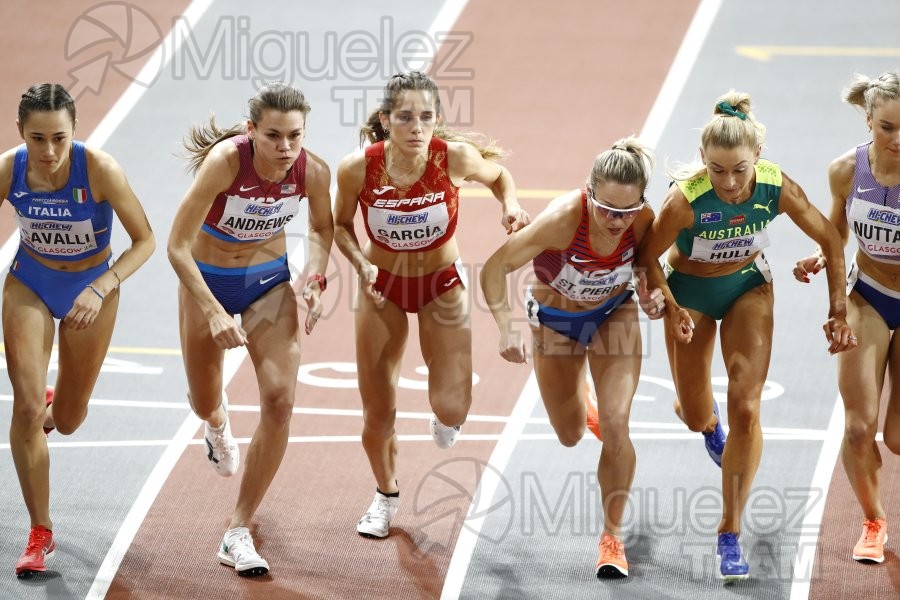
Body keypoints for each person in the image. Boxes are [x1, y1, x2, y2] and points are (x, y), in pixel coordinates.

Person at [637, 91, 855, 581]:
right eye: (717, 170)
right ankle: (704, 422)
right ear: (703, 162)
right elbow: (646, 257)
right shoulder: (685, 200)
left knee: (748, 406)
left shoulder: (775, 188)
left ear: (757, 156)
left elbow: (831, 240)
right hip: (690, 291)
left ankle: (729, 532)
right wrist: (669, 308)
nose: (730, 183)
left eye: (739, 169)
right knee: (696, 414)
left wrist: (837, 310)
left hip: (747, 288)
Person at [333, 70, 530, 539]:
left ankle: (445, 416)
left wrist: (510, 204)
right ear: (385, 120)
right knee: (377, 411)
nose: (416, 127)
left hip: (441, 284)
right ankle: (384, 496)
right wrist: (360, 265)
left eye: (426, 117)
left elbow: (500, 176)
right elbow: (340, 225)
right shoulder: (356, 167)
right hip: (382, 287)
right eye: (404, 117)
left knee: (452, 407)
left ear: (437, 119)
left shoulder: (454, 158)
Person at [167, 82, 333, 576]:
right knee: (203, 398)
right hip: (207, 283)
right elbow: (177, 246)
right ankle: (216, 424)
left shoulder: (312, 170)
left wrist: (316, 279)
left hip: (266, 284)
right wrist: (214, 311)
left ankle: (237, 529)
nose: (286, 148)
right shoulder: (225, 163)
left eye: (296, 136)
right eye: (274, 136)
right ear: (251, 131)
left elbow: (323, 229)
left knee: (280, 401)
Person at [480, 137, 665, 579]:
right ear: (589, 193)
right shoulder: (564, 218)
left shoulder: (642, 220)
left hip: (612, 316)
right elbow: (493, 268)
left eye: (627, 211)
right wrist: (505, 324)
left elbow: (647, 265)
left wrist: (653, 295)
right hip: (556, 324)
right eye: (606, 210)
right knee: (569, 434)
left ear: (640, 202)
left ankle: (612, 537)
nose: (616, 221)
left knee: (618, 425)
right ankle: (585, 401)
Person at [2, 83, 155, 577]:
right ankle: (40, 531)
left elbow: (146, 241)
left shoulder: (101, 170)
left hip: (92, 289)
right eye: (37, 138)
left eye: (59, 139)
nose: (48, 152)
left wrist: (101, 287)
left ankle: (53, 410)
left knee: (66, 420)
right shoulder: (9, 169)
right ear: (21, 132)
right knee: (25, 409)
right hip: (30, 282)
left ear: (74, 133)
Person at [794, 71, 900, 564]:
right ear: (869, 120)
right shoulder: (845, 170)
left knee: (897, 437)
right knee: (859, 428)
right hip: (868, 297)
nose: (897, 140)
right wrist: (822, 256)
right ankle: (874, 521)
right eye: (887, 128)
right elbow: (835, 230)